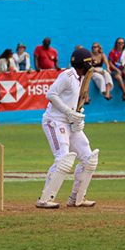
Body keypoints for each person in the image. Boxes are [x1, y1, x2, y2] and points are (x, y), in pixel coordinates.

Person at [36, 48, 99, 210]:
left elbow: (75, 105)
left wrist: (77, 118)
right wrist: (68, 112)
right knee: (63, 159)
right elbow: (51, 94)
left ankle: (77, 198)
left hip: (69, 123)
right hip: (54, 121)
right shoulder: (67, 76)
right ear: (81, 64)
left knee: (89, 158)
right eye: (88, 63)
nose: (91, 66)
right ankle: (44, 199)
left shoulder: (81, 79)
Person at [108, 37, 125, 102]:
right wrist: (117, 70)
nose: (120, 44)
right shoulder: (112, 52)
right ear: (116, 44)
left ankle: (124, 95)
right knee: (118, 77)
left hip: (122, 70)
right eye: (119, 43)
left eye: (122, 43)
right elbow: (110, 64)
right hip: (114, 70)